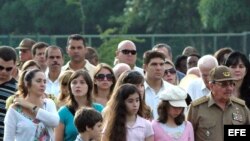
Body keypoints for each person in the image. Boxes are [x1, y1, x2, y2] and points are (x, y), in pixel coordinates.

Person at [187, 66, 250, 141]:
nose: (229, 88)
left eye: (231, 84)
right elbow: (187, 136)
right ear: (211, 86)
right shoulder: (196, 108)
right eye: (223, 84)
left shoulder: (241, 107)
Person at [4, 69, 59, 141]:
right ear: (27, 83)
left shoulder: (49, 103)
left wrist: (30, 106)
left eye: (44, 81)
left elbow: (54, 122)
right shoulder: (14, 109)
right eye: (38, 81)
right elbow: (8, 139)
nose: (43, 84)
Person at [55, 70, 103, 141]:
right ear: (70, 87)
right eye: (74, 82)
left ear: (89, 86)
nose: (78, 85)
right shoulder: (63, 112)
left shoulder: (100, 109)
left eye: (82, 82)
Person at [143, 50, 174, 119]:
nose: (158, 68)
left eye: (161, 64)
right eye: (154, 64)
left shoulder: (172, 90)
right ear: (145, 67)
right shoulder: (137, 90)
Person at [0, 46, 17, 140]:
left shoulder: (18, 90)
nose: (4, 72)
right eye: (0, 67)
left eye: (8, 69)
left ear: (15, 65)